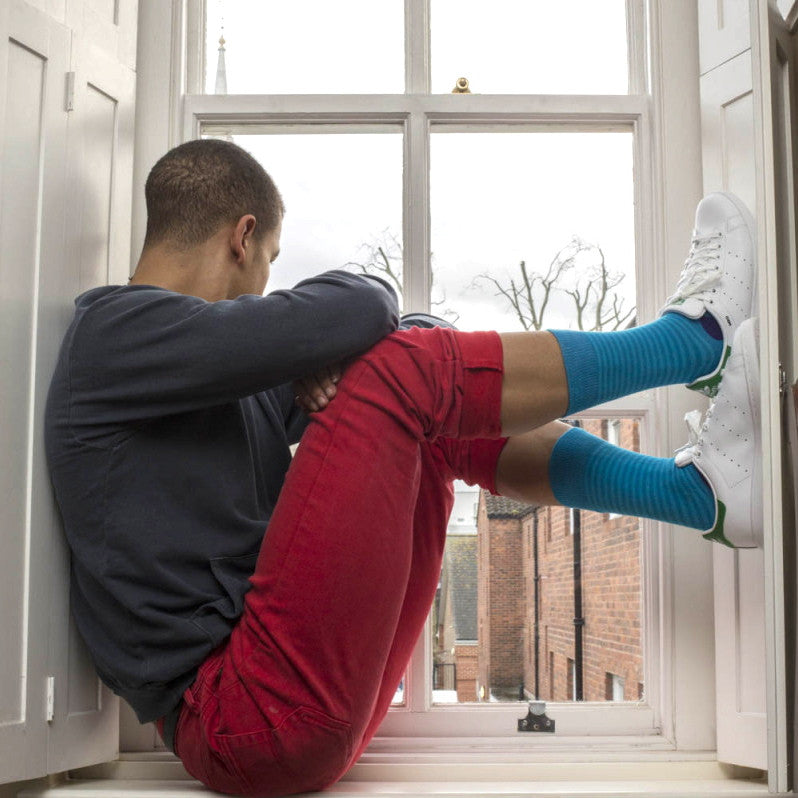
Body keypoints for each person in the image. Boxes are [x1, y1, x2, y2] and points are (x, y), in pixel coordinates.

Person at [45, 138, 761, 797]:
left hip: (294, 699)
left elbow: (375, 330)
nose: (267, 283)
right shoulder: (114, 333)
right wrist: (326, 348)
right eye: (270, 260)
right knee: (401, 369)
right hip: (246, 712)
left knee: (422, 378)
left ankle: (698, 495)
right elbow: (360, 304)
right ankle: (689, 343)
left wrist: (326, 361)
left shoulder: (209, 375)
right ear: (244, 236)